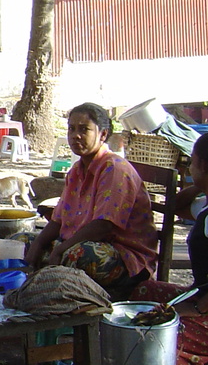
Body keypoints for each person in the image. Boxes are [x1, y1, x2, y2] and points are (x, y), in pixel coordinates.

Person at [24, 102, 158, 298]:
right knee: (21, 241)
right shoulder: (76, 171)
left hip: (124, 255)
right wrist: (37, 244)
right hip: (81, 242)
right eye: (71, 129)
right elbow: (59, 219)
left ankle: (67, 305)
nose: (75, 135)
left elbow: (104, 225)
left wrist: (60, 249)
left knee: (76, 256)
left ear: (103, 135)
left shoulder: (115, 169)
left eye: (84, 129)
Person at [133, 135, 208, 365]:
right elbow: (175, 206)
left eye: (191, 163)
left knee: (157, 335)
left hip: (205, 306)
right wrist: (200, 183)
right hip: (201, 296)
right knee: (143, 291)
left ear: (203, 165)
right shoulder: (204, 204)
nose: (188, 169)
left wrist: (194, 309)